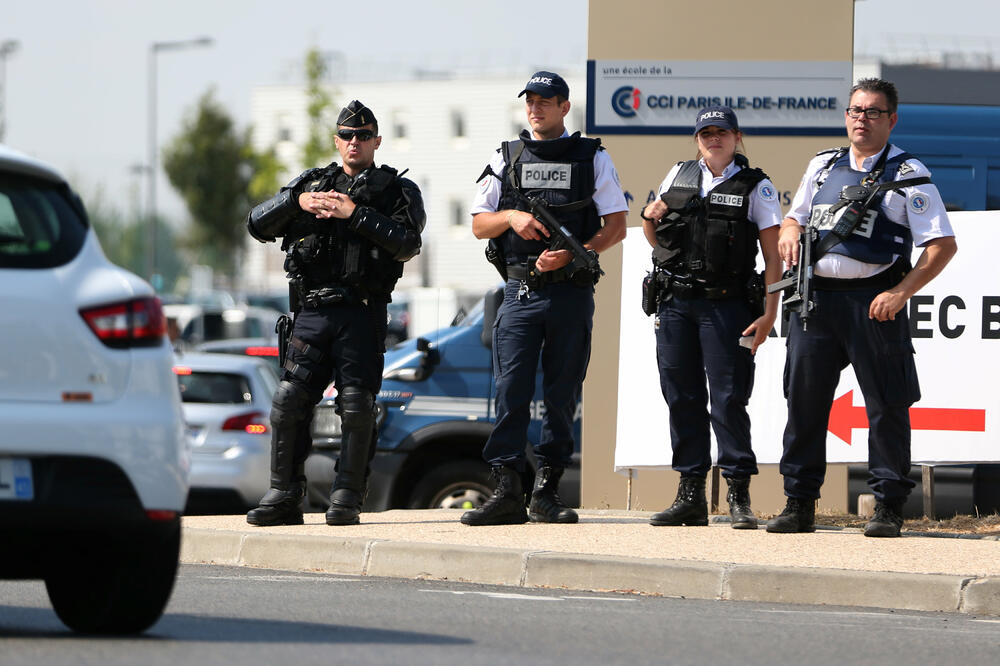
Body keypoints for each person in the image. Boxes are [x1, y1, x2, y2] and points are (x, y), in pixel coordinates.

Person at [767, 78, 957, 537]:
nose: (862, 119)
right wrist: (790, 227)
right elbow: (797, 214)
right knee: (805, 404)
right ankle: (799, 503)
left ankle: (889, 506)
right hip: (817, 303)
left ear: (891, 120)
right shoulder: (822, 165)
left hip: (875, 303)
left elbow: (941, 245)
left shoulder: (909, 173)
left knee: (887, 404)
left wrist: (901, 293)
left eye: (873, 112)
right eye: (856, 110)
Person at [245, 100, 425, 527]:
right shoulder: (313, 184)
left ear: (377, 141)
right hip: (311, 314)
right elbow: (256, 224)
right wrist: (296, 202)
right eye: (347, 135)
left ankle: (347, 495)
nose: (354, 143)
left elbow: (407, 243)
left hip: (361, 314)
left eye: (363, 136)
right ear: (336, 140)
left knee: (356, 406)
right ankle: (284, 494)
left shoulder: (398, 191)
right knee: (289, 400)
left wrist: (354, 214)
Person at [462, 70, 627, 526]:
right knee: (509, 391)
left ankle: (546, 495)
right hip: (519, 290)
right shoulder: (506, 155)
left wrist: (578, 255)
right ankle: (507, 491)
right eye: (530, 100)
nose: (535, 108)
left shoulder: (591, 155)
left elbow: (615, 224)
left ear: (564, 107)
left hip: (570, 291)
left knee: (561, 394)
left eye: (546, 100)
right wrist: (512, 216)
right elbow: (479, 223)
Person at [639, 106, 783, 529]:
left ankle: (739, 495)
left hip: (728, 305)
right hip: (676, 304)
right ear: (697, 138)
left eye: (721, 132)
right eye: (706, 133)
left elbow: (773, 256)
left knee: (728, 399)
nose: (713, 139)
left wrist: (770, 314)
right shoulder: (679, 174)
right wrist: (651, 220)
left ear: (736, 137)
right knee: (681, 397)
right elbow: (654, 229)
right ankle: (690, 494)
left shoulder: (756, 185)